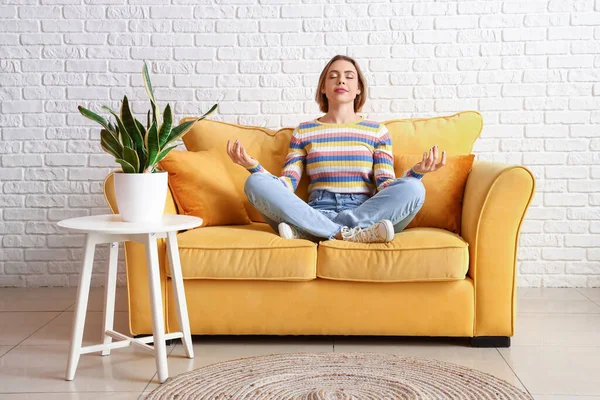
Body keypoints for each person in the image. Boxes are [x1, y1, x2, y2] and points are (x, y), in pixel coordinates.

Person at [226, 55, 446, 243]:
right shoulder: (304, 131)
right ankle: (350, 234)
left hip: (364, 211)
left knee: (414, 188)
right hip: (315, 210)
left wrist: (417, 172)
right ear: (323, 87)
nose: (341, 80)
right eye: (333, 76)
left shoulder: (377, 131)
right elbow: (287, 184)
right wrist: (253, 167)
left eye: (349, 76)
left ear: (358, 88)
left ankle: (310, 233)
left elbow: (386, 185)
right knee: (254, 183)